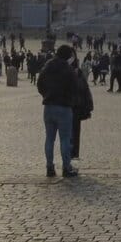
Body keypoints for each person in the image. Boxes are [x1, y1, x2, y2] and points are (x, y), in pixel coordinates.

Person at [36, 44, 78, 178]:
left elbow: (39, 83)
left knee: (49, 139)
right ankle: (66, 168)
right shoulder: (68, 69)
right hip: (64, 107)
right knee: (65, 139)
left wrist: (46, 95)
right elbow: (74, 87)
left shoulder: (48, 66)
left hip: (49, 106)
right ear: (67, 56)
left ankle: (49, 167)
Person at [70, 57, 94, 162]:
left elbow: (85, 92)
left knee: (70, 132)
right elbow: (86, 92)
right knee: (74, 131)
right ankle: (73, 153)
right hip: (75, 107)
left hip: (72, 107)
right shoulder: (79, 76)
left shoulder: (73, 75)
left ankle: (71, 153)